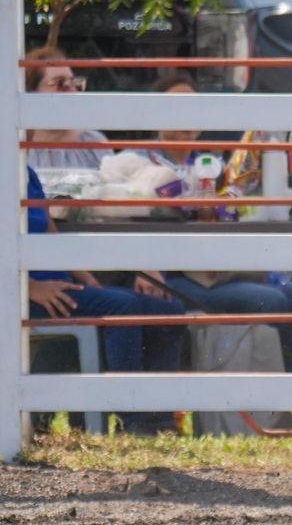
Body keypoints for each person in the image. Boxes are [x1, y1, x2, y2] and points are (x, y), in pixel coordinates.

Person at [133, 75, 292, 373]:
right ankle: (284, 396)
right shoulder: (139, 162)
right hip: (174, 275)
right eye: (173, 109)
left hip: (222, 269)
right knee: (272, 300)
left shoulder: (216, 163)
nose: (183, 120)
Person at [26, 164, 186, 435]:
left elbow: (50, 233)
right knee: (123, 307)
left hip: (59, 285)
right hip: (23, 294)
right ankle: (131, 420)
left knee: (169, 309)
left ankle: (159, 421)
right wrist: (31, 287)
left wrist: (85, 276)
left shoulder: (25, 171)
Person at [24, 46, 108, 172]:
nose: (72, 90)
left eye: (75, 83)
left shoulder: (93, 142)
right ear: (32, 92)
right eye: (60, 83)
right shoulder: (15, 146)